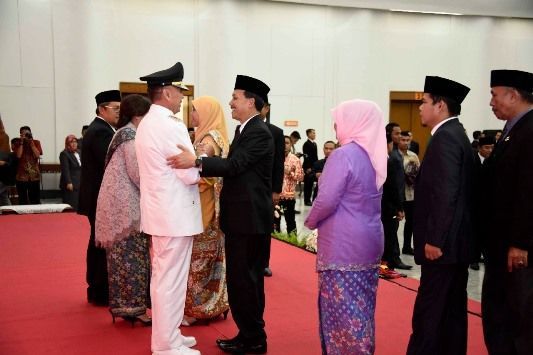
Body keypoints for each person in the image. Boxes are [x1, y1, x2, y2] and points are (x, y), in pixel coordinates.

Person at [167, 74, 273, 354]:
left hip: (250, 221)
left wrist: (197, 161)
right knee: (240, 280)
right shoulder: (244, 130)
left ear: (251, 102)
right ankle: (247, 333)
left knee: (246, 280)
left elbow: (235, 165)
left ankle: (254, 338)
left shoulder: (259, 132)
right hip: (240, 219)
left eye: (236, 97)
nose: (231, 103)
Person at [304, 99, 386, 354]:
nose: (335, 125)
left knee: (341, 310)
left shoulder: (343, 155)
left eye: (339, 120)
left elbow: (327, 199)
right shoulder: (375, 155)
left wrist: (311, 220)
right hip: (370, 241)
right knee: (361, 308)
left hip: (343, 244)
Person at [135, 62, 202, 355]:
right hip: (173, 215)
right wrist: (200, 159)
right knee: (169, 281)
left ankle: (171, 334)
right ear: (166, 93)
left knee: (167, 278)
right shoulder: (168, 124)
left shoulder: (150, 122)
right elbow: (189, 172)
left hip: (164, 213)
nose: (181, 97)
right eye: (178, 91)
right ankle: (165, 344)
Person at [407, 76, 475, 355]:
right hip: (454, 246)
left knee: (430, 313)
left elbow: (446, 194)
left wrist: (435, 239)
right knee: (450, 314)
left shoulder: (446, 138)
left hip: (443, 247)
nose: (420, 108)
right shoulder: (456, 134)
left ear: (441, 105)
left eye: (424, 102)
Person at [481, 69, 533, 354]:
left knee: (518, 319)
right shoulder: (513, 130)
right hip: (501, 246)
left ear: (513, 95)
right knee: (500, 316)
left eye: (494, 94)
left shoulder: (529, 131)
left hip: (517, 252)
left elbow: (528, 191)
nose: (491, 102)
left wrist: (520, 243)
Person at [95, 94, 152, 325]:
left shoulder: (123, 133)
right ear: (139, 115)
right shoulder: (129, 137)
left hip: (119, 207)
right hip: (126, 210)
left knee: (122, 260)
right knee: (133, 259)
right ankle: (134, 310)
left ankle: (124, 307)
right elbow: (138, 174)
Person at [183, 96, 230, 325]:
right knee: (202, 258)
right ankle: (207, 305)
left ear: (207, 112)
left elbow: (203, 168)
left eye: (195, 111)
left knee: (200, 258)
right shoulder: (203, 135)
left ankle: (199, 309)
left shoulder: (211, 139)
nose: (191, 115)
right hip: (199, 203)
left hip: (206, 207)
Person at [78, 89, 121, 306]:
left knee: (98, 241)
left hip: (94, 196)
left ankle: (97, 288)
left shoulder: (100, 129)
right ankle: (99, 288)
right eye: (115, 109)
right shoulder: (101, 132)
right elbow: (112, 164)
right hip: (98, 198)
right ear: (102, 109)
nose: (118, 113)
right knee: (101, 243)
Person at [259, 101, 284, 277]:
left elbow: (278, 164)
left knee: (265, 225)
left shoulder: (276, 132)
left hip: (267, 189)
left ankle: (263, 262)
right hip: (248, 188)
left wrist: (276, 190)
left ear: (266, 108)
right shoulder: (241, 129)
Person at [470, 135, 495, 271]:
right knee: (474, 232)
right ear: (479, 148)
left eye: (492, 147)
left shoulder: (495, 161)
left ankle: (484, 256)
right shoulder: (473, 160)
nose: (490, 150)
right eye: (486, 147)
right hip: (474, 202)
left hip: (488, 204)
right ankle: (473, 258)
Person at [274, 135, 303, 235]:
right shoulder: (274, 158)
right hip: (275, 195)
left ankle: (292, 243)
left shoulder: (295, 160)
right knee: (274, 221)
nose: (284, 145)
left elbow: (300, 177)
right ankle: (275, 243)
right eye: (282, 143)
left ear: (291, 145)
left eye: (287, 143)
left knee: (290, 221)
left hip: (288, 196)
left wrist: (289, 172)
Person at [399, 131, 420, 255]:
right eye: (403, 140)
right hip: (399, 193)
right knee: (395, 222)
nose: (406, 142)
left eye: (408, 140)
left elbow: (418, 172)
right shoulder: (393, 154)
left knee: (410, 221)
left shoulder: (413, 155)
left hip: (411, 193)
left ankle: (407, 246)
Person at [15, 126, 43, 204]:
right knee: (22, 200)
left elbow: (37, 155)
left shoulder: (36, 142)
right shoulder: (17, 143)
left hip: (34, 176)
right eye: (23, 134)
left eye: (27, 134)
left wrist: (31, 143)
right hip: (21, 176)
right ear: (20, 135)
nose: (26, 136)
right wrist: (21, 142)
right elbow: (18, 155)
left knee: (35, 200)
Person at [59, 135, 81, 211]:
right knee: (71, 205)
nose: (74, 144)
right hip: (70, 183)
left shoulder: (79, 152)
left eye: (75, 142)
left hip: (79, 182)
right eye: (71, 142)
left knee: (79, 205)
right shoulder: (64, 154)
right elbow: (65, 169)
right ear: (67, 143)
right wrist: (68, 182)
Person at [302, 128, 318, 205]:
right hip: (308, 167)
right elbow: (306, 157)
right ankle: (306, 200)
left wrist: (317, 165)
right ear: (308, 134)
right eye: (313, 133)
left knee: (311, 184)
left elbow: (315, 156)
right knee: (307, 184)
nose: (314, 134)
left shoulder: (314, 144)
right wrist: (308, 167)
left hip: (313, 167)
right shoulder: (306, 144)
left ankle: (310, 200)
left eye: (315, 133)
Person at [0, 116, 12, 205]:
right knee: (3, 196)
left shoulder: (4, 136)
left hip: (3, 174)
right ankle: (9, 212)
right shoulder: (4, 136)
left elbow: (5, 158)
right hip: (5, 175)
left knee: (3, 195)